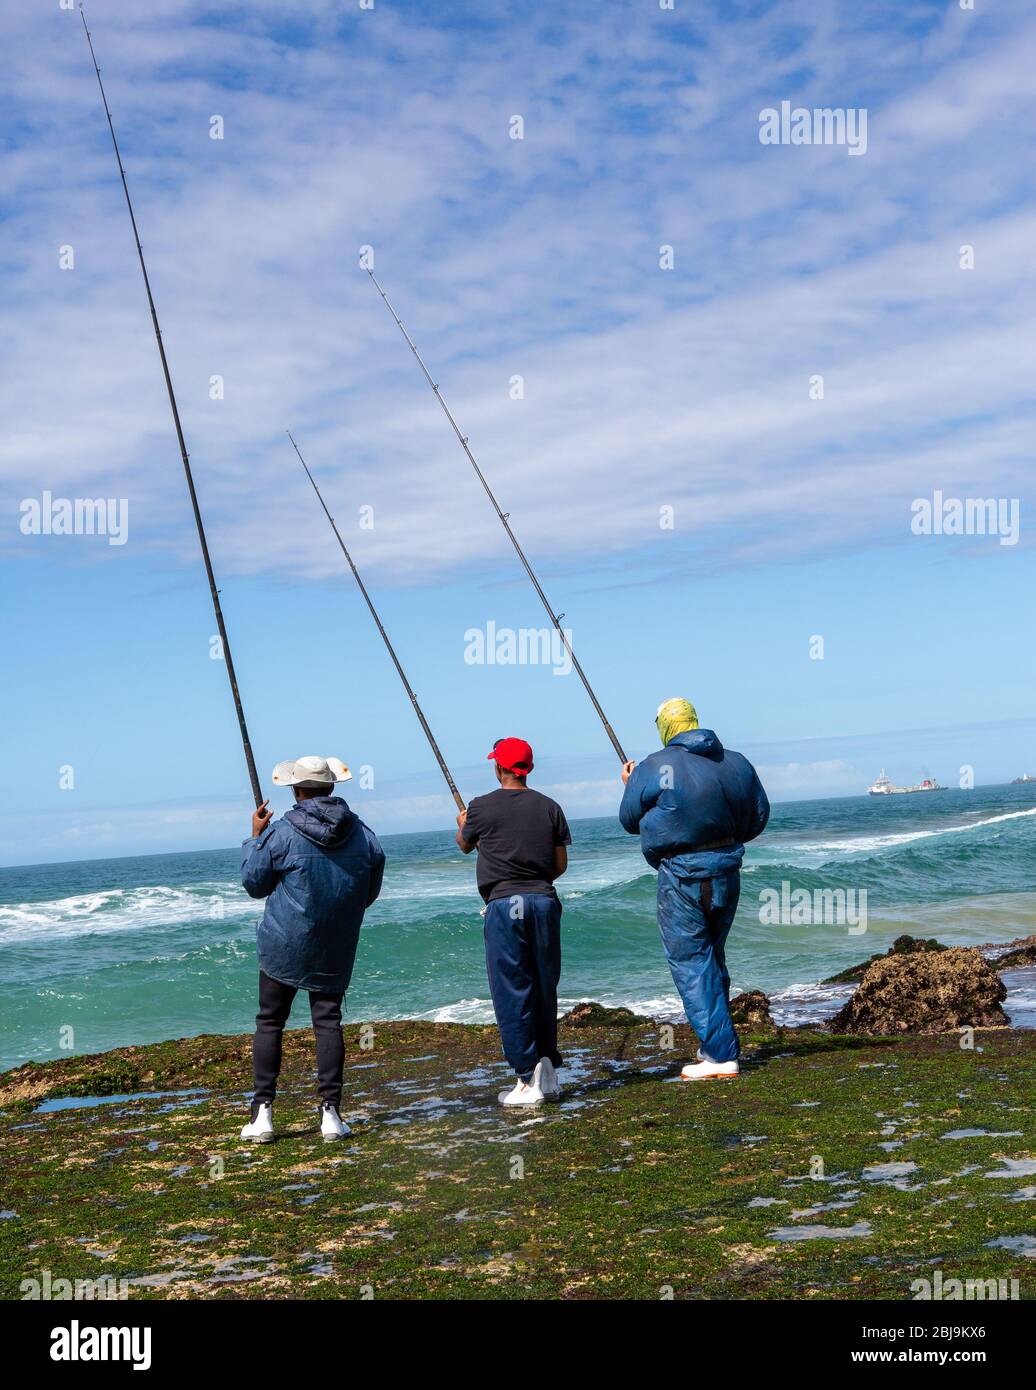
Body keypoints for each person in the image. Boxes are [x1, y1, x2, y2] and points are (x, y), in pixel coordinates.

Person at [619, 699, 769, 1081]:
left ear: (665, 727)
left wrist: (630, 782)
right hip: (726, 870)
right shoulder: (736, 762)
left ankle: (720, 1056)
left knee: (691, 961)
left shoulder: (654, 766)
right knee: (711, 958)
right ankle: (713, 1046)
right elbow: (759, 815)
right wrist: (724, 841)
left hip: (682, 876)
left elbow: (628, 819)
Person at [239, 755, 385, 1142]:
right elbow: (368, 891)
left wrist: (255, 838)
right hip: (335, 943)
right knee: (328, 1022)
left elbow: (255, 884)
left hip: (283, 943)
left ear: (296, 791)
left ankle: (263, 1113)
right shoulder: (363, 833)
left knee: (270, 1021)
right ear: (332, 787)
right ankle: (331, 1114)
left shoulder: (281, 832)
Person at [456, 737, 571, 1106]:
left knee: (512, 990)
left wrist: (463, 824)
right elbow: (560, 866)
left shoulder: (479, 807)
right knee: (543, 985)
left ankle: (525, 1081)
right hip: (543, 901)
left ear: (498, 767)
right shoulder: (550, 807)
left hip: (505, 904)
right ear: (528, 769)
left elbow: (464, 844)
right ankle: (547, 1071)